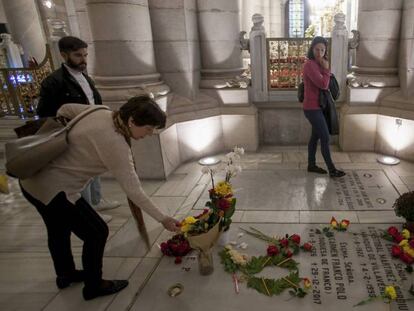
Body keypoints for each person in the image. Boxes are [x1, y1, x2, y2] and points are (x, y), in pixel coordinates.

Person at [20, 95, 181, 300]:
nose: (149, 134)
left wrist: (70, 140)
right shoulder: (115, 144)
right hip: (55, 190)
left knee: (58, 229)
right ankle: (94, 286)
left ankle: (65, 274)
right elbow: (134, 191)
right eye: (148, 128)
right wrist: (163, 219)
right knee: (96, 232)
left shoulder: (101, 111)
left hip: (32, 180)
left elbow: (65, 108)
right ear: (132, 121)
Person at [36, 36, 120, 214]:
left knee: (94, 168)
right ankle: (89, 209)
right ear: (64, 55)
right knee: (82, 174)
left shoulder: (85, 77)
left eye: (85, 55)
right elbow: (44, 113)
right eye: (78, 55)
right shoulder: (54, 82)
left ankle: (97, 201)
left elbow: (93, 102)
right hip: (73, 135)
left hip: (91, 131)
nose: (83, 60)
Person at [302, 36, 346, 178]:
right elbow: (323, 85)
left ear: (325, 50)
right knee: (325, 138)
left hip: (320, 106)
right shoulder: (310, 65)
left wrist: (325, 67)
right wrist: (326, 70)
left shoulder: (320, 63)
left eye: (322, 49)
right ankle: (332, 170)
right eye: (317, 49)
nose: (319, 52)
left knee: (315, 137)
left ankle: (311, 165)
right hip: (312, 107)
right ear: (312, 49)